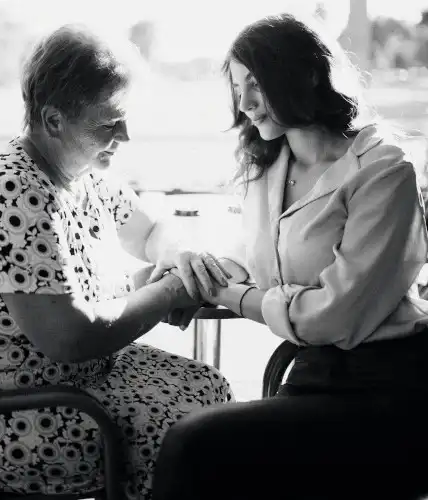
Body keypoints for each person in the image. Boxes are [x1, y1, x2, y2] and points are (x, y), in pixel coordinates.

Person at [0, 25, 234, 499]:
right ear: (53, 121)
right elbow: (72, 336)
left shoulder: (78, 172)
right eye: (110, 123)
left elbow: (151, 229)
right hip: (2, 416)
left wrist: (180, 257)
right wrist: (170, 291)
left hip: (67, 386)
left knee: (210, 390)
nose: (125, 135)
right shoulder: (14, 191)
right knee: (196, 436)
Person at [151, 13, 428, 500]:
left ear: (306, 75)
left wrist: (229, 294)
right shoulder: (268, 168)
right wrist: (190, 269)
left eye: (255, 85)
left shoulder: (384, 171)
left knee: (192, 444)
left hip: (391, 388)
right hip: (312, 376)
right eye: (237, 88)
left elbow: (334, 315)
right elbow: (249, 260)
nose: (244, 104)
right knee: (198, 444)